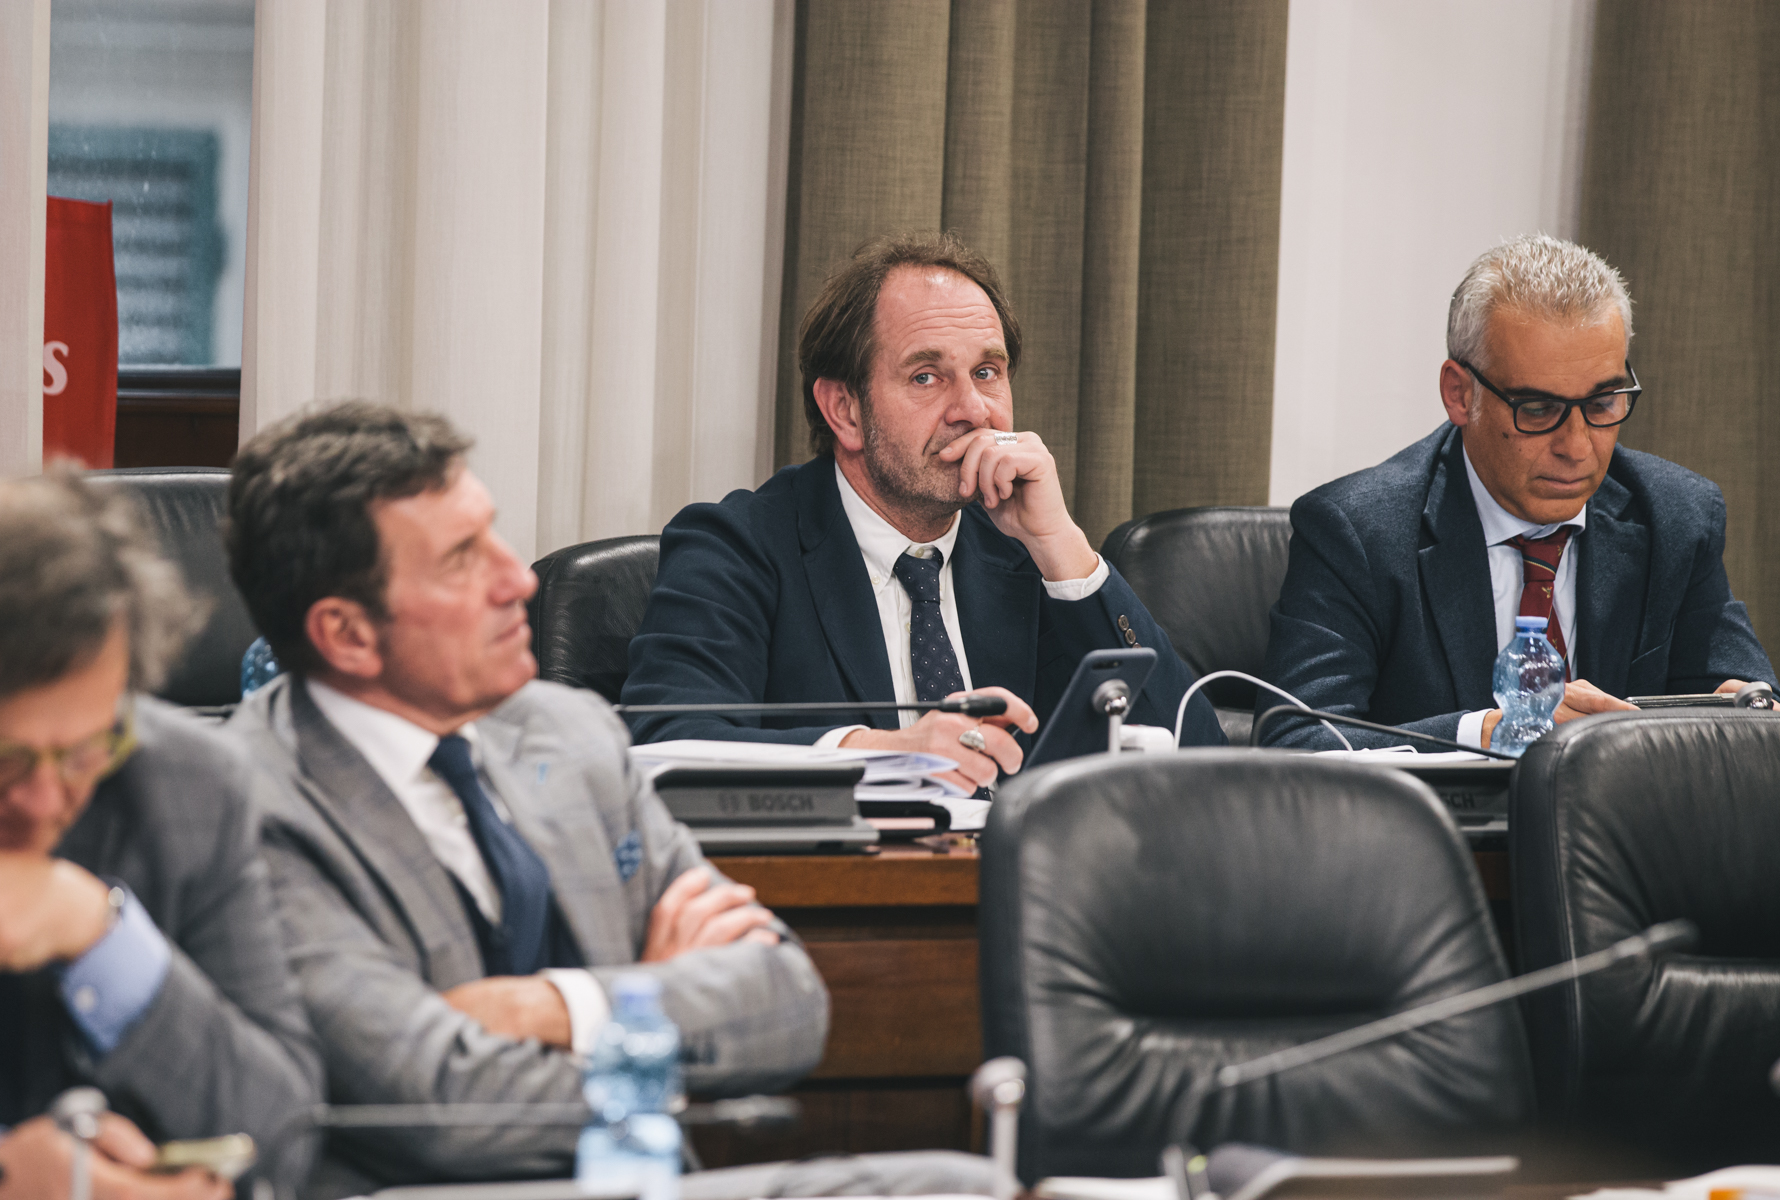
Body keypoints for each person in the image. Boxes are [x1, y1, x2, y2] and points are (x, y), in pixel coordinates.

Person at [223, 404, 829, 1196]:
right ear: (347, 634)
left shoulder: (568, 730)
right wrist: (648, 1015)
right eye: (461, 560)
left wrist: (558, 1006)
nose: (520, 580)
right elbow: (445, 1105)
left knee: (952, 1182)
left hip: (641, 1183)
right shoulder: (247, 806)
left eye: (494, 536)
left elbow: (790, 1001)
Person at [621, 232, 1225, 788]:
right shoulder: (737, 548)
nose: (974, 410)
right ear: (845, 411)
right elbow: (665, 745)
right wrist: (888, 752)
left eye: (986, 372)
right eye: (927, 377)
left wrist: (1061, 546)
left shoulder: (1026, 554)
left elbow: (1202, 766)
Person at [1260, 234, 1780, 751]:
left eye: (1602, 404)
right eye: (1538, 409)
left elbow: (1756, 707)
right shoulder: (1357, 533)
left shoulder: (1676, 518)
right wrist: (1488, 732)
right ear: (1459, 394)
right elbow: (1296, 742)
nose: (1576, 447)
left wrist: (1757, 728)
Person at [0, 471, 321, 1199]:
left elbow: (282, 1135)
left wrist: (97, 930)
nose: (45, 801)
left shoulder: (189, 788)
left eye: (85, 751)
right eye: (6, 759)